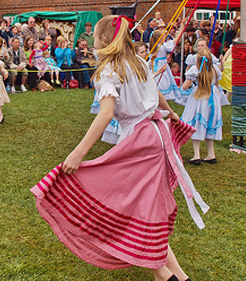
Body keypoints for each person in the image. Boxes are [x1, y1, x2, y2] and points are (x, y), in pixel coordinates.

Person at [31, 15, 207, 281]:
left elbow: (105, 114)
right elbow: (157, 94)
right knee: (143, 209)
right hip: (157, 137)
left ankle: (166, 275)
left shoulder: (109, 71)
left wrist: (77, 154)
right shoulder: (138, 62)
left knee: (129, 208)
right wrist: (170, 112)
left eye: (96, 37)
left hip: (141, 139)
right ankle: (177, 276)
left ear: (103, 39)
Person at [180, 48, 224, 165]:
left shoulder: (195, 70)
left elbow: (185, 86)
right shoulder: (215, 70)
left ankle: (197, 155)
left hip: (200, 97)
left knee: (197, 123)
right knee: (210, 123)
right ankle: (211, 154)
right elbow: (216, 83)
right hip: (212, 97)